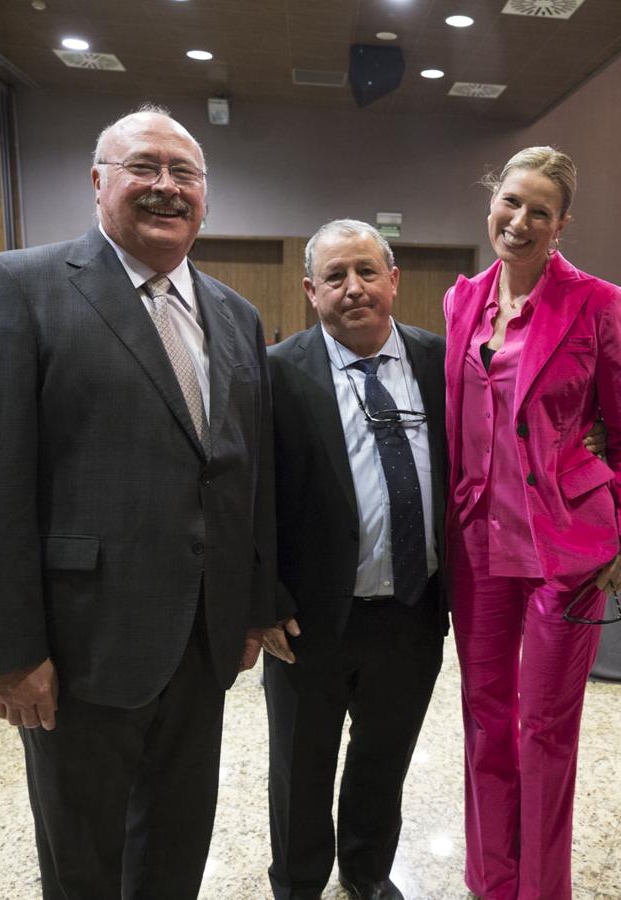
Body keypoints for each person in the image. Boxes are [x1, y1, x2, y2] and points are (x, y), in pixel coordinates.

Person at [0, 104, 278, 899]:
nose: (166, 186)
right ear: (98, 182)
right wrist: (9, 651)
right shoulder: (19, 287)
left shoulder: (236, 315)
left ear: (205, 195)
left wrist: (251, 609)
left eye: (184, 172)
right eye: (143, 167)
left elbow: (246, 477)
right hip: (79, 648)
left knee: (176, 849)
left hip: (202, 643)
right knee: (84, 864)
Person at [443, 147, 621, 900]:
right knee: (484, 718)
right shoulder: (462, 299)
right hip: (478, 540)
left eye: (540, 211)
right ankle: (492, 880)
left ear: (561, 225)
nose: (520, 221)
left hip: (565, 544)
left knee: (547, 729)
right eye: (511, 202)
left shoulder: (598, 302)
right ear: (491, 202)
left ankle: (540, 889)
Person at [259, 220, 448, 900]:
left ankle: (366, 874)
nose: (354, 288)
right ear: (311, 291)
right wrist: (264, 600)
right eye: (335, 276)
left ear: (393, 280)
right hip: (307, 619)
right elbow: (255, 497)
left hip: (413, 611)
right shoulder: (277, 371)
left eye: (367, 271)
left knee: (383, 760)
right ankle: (298, 884)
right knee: (300, 767)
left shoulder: (439, 362)